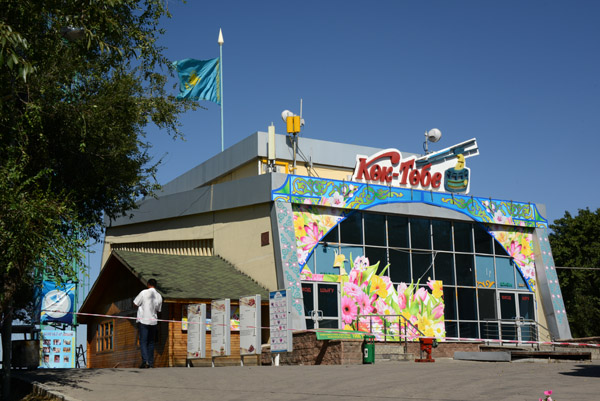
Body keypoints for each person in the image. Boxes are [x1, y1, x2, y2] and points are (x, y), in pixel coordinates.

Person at [133, 278, 162, 368]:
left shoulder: (144, 292)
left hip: (143, 320)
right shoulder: (158, 295)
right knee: (151, 342)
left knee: (143, 341)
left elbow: (135, 303)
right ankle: (151, 362)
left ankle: (145, 361)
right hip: (153, 321)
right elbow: (158, 310)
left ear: (148, 284)